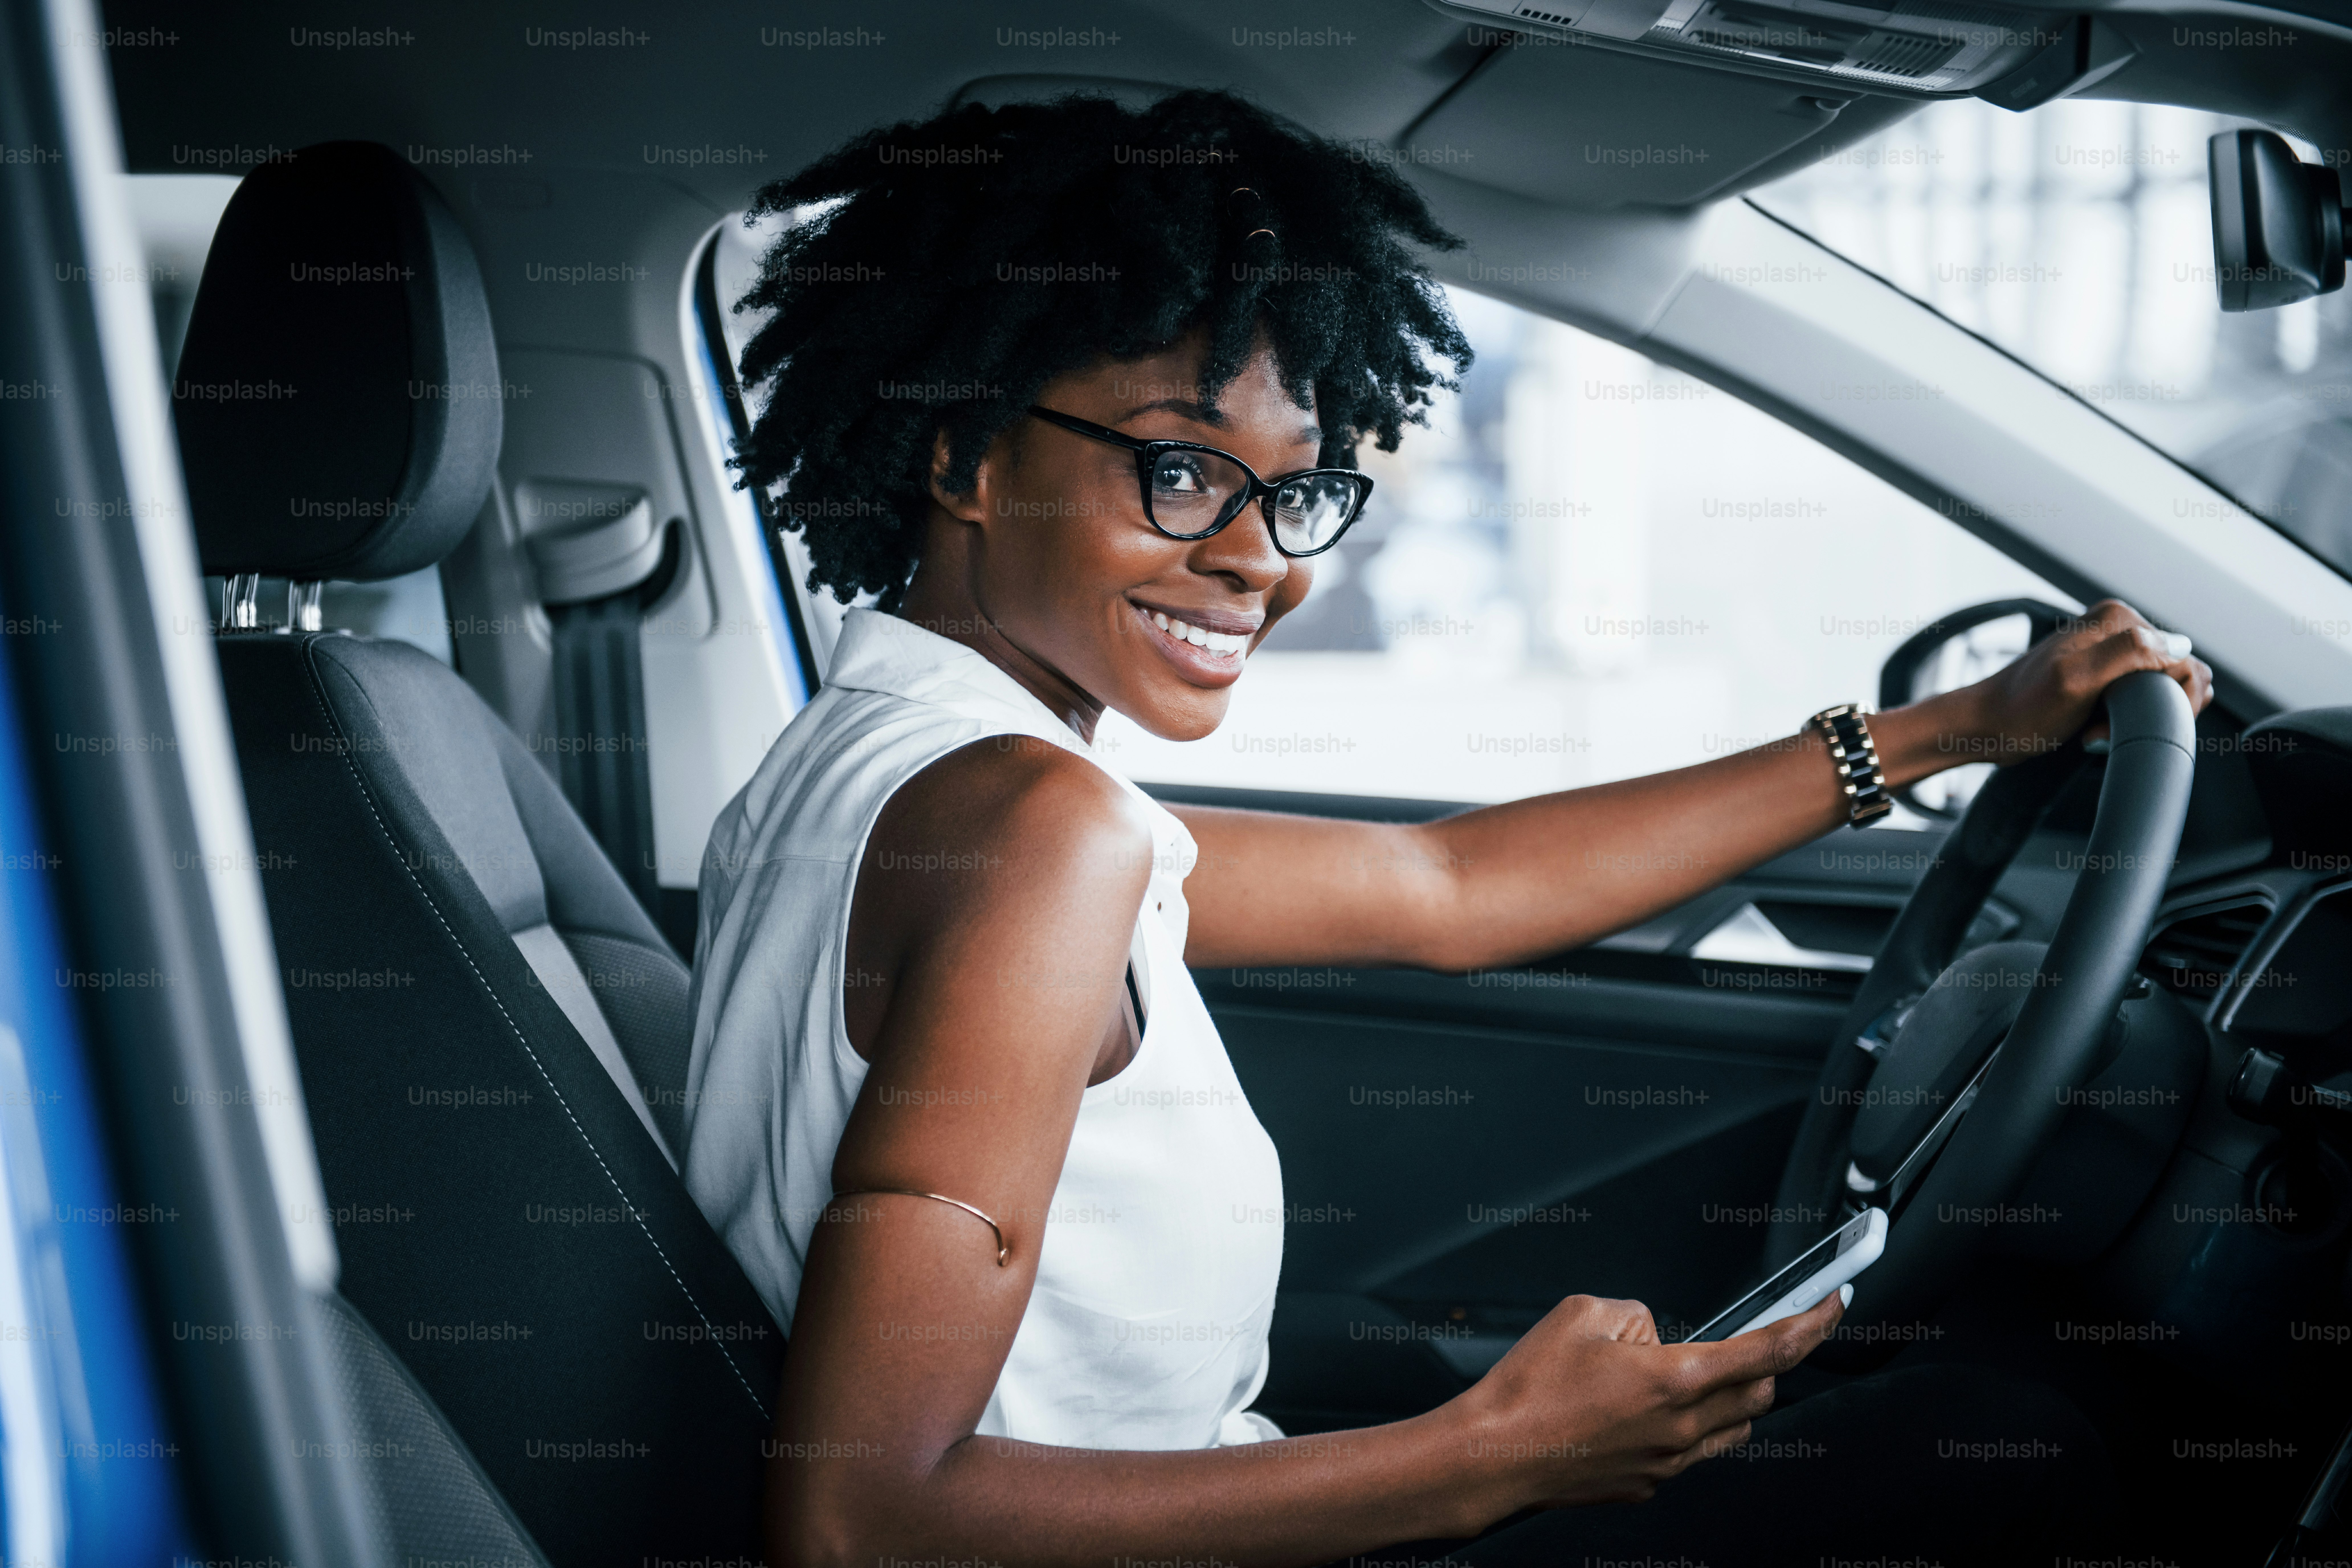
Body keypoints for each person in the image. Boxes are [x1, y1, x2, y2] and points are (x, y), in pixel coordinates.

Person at [679, 88, 2207, 1568]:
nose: (1258, 567)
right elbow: (862, 1522)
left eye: (1297, 495)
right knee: (1996, 1450)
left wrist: (1944, 730)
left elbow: (1447, 886)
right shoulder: (1034, 830)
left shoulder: (875, 771)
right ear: (962, 454)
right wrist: (1497, 1461)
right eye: (1181, 471)